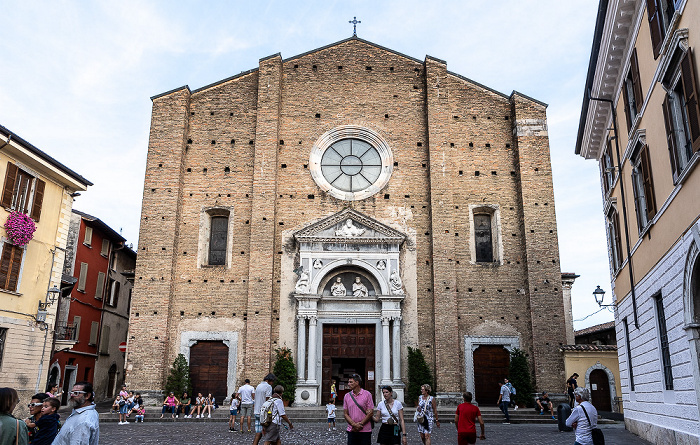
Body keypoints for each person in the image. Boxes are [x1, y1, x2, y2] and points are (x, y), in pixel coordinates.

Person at [343, 373, 374, 445]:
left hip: (365, 430)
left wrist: (360, 424)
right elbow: (345, 413)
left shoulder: (367, 394)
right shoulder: (347, 396)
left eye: (351, 382)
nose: (348, 384)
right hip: (352, 430)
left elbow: (370, 412)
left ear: (357, 383)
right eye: (348, 382)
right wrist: (354, 424)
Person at [253, 373, 276, 445]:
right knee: (270, 433)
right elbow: (267, 400)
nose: (272, 383)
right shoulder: (268, 387)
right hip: (264, 413)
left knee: (258, 432)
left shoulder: (258, 386)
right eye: (272, 381)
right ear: (270, 380)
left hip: (257, 411)